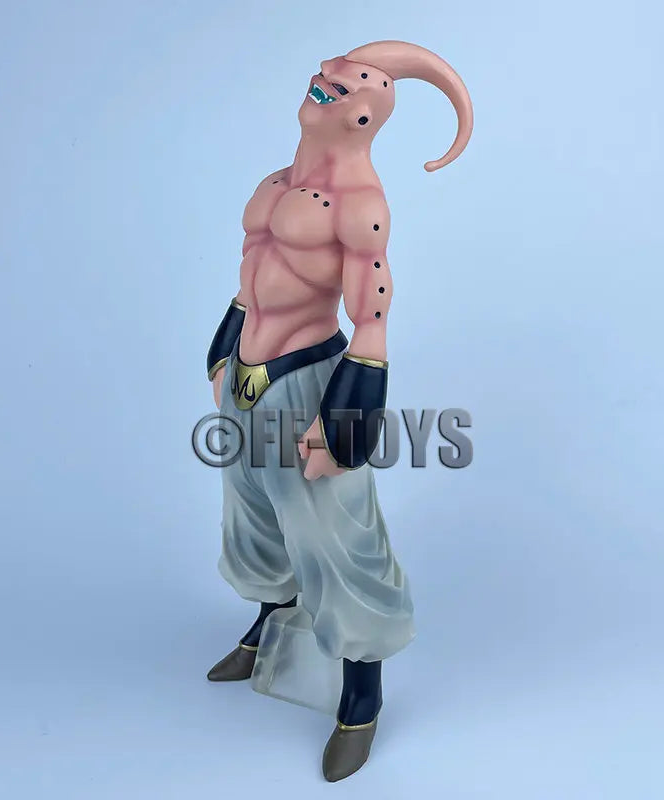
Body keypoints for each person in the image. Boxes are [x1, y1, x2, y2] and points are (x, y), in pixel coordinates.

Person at [203, 40, 473, 782]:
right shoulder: (275, 182)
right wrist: (222, 351)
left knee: (336, 538)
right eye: (325, 75)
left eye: (344, 85)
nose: (324, 83)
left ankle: (361, 696)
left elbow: (372, 320)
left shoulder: (360, 205)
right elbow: (250, 280)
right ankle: (267, 627)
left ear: (365, 115)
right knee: (254, 515)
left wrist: (346, 423)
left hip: (307, 383)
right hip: (247, 378)